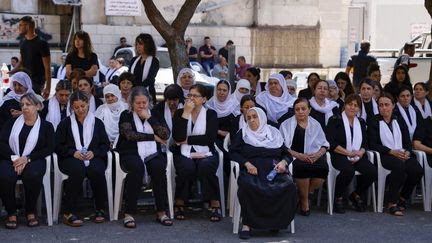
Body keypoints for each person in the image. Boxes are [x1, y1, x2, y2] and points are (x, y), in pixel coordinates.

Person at [229, 107, 296, 239]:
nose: (252, 120)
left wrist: (283, 162)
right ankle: (247, 224)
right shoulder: (243, 134)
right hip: (252, 169)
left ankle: (276, 222)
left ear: (262, 117)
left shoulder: (274, 133)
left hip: (274, 169)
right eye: (248, 118)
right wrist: (246, 164)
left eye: (255, 117)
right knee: (248, 186)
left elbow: (287, 154)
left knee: (288, 186)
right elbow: (233, 152)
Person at [116, 87, 172, 228]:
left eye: (144, 103)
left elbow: (165, 135)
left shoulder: (155, 114)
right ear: (131, 104)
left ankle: (161, 211)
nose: (141, 106)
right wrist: (153, 137)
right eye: (138, 103)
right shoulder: (126, 115)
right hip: (130, 151)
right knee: (137, 168)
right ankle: (129, 213)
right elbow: (130, 135)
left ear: (149, 102)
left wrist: (150, 118)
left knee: (158, 168)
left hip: (153, 153)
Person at [55, 91, 110, 226]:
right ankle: (68, 212)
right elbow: (57, 145)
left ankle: (99, 208)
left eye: (83, 106)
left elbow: (105, 144)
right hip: (70, 157)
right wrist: (72, 152)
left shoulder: (97, 123)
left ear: (88, 104)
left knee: (97, 170)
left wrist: (94, 152)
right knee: (77, 170)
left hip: (93, 156)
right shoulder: (65, 124)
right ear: (72, 108)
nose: (80, 110)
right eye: (77, 107)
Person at [0, 93, 54, 229]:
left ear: (37, 106)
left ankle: (30, 211)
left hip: (34, 159)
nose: (24, 107)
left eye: (28, 104)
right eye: (22, 104)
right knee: (5, 175)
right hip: (11, 157)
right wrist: (15, 158)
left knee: (33, 175)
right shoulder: (12, 122)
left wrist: (27, 158)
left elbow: (49, 148)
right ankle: (11, 212)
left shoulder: (46, 126)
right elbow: (1, 143)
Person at [172, 84, 222, 222]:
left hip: (206, 152)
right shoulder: (180, 113)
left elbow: (209, 138)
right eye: (190, 95)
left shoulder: (211, 114)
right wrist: (186, 113)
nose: (192, 98)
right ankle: (180, 201)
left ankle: (214, 202)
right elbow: (177, 137)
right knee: (186, 167)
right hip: (183, 152)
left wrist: (186, 140)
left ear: (204, 99)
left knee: (206, 166)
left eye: (195, 96)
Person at [367, 93, 423, 216]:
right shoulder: (374, 121)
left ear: (393, 106)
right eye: (381, 105)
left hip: (401, 153)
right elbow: (372, 144)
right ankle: (392, 203)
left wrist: (407, 152)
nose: (384, 108)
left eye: (387, 104)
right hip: (384, 154)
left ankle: (403, 198)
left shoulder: (398, 119)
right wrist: (391, 151)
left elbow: (407, 142)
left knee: (417, 170)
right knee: (399, 167)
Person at [326, 94, 377, 213]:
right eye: (350, 104)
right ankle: (337, 196)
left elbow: (365, 143)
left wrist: (360, 152)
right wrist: (348, 152)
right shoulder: (335, 120)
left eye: (356, 105)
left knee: (372, 171)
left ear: (359, 108)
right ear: (345, 105)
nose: (352, 107)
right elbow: (330, 142)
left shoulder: (361, 122)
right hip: (339, 154)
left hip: (356, 155)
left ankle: (355, 195)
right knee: (348, 171)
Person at [279, 98, 329, 216]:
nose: (300, 111)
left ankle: (303, 196)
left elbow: (324, 144)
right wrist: (298, 155)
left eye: (303, 109)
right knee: (302, 168)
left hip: (313, 156)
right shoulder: (286, 124)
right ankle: (305, 202)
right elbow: (281, 146)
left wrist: (318, 155)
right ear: (294, 111)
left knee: (323, 168)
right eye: (297, 109)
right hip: (294, 157)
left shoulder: (315, 124)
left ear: (309, 110)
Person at [11, 16, 51, 98]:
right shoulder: (22, 42)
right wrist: (12, 71)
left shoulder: (42, 43)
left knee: (34, 106)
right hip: (24, 80)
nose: (19, 27)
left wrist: (48, 87)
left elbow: (47, 67)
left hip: (37, 82)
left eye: (21, 25)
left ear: (27, 26)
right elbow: (22, 60)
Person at [129, 33, 159, 103]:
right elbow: (129, 76)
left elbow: (150, 79)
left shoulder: (154, 61)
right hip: (133, 94)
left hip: (148, 94)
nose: (138, 47)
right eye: (137, 44)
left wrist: (137, 89)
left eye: (141, 44)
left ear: (148, 45)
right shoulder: (134, 60)